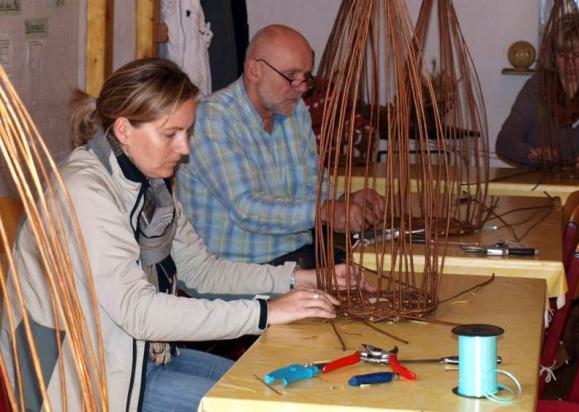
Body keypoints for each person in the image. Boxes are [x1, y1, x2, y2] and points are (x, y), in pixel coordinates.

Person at [0, 58, 368, 412]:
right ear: (124, 129)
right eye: (171, 134)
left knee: (273, 391)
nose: (185, 148)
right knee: (261, 404)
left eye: (187, 132)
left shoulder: (149, 183)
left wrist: (301, 278)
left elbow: (203, 272)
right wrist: (265, 312)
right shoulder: (84, 192)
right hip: (82, 380)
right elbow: (138, 311)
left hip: (141, 356)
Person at [175, 24, 384, 269]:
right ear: (254, 70)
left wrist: (346, 201)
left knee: (381, 281)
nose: (302, 88)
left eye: (306, 77)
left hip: (298, 260)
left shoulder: (296, 111)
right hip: (238, 275)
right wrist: (326, 211)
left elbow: (314, 186)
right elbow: (247, 209)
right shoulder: (212, 119)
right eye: (291, 76)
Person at [496, 12, 579, 174]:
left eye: (577, 55)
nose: (569, 64)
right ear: (552, 56)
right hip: (540, 184)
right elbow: (505, 142)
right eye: (562, 55)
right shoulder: (536, 87)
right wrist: (531, 153)